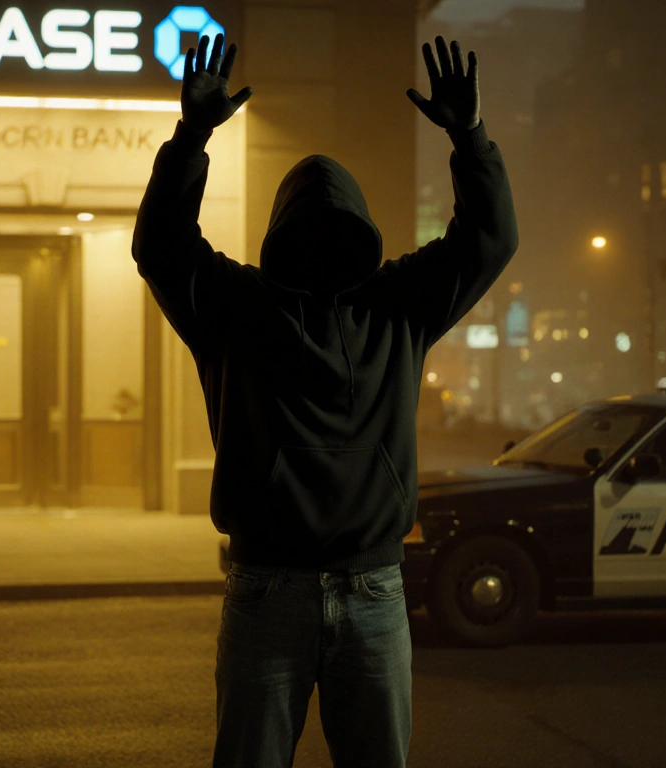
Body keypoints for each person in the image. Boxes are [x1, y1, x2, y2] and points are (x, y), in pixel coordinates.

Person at [133, 33, 518, 768]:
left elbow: (488, 241)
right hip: (271, 593)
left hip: (367, 589)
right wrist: (191, 137)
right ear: (284, 235)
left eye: (332, 232)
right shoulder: (243, 308)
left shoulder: (391, 306)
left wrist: (471, 139)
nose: (320, 245)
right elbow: (161, 247)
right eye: (310, 232)